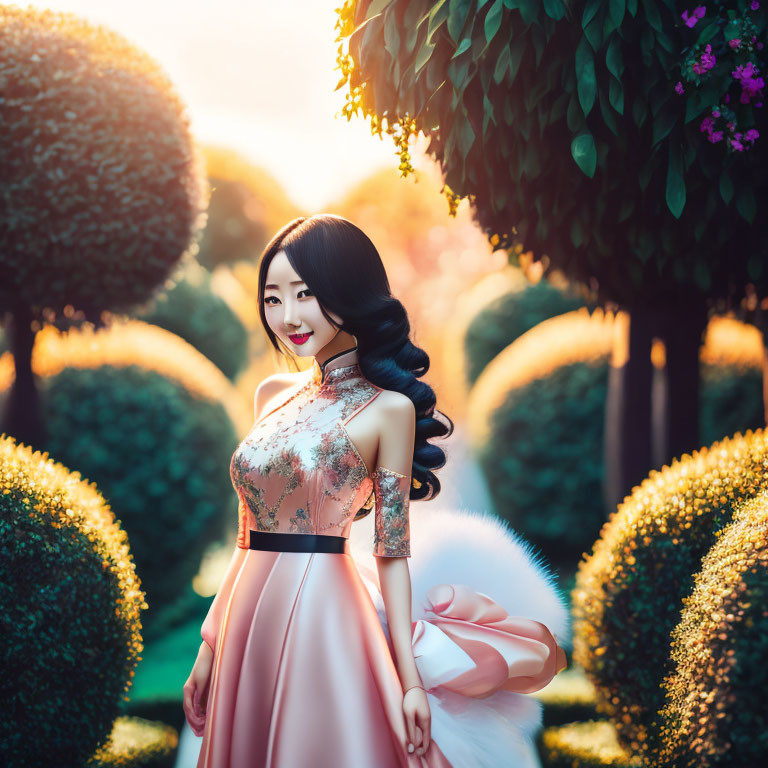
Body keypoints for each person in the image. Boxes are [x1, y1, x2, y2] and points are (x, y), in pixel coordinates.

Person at [182, 215, 567, 768]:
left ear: (348, 292)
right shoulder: (271, 394)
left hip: (324, 610)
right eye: (272, 298)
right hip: (246, 615)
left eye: (305, 294)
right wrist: (208, 649)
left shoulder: (389, 409)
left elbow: (392, 551)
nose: (287, 316)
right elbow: (246, 537)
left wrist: (408, 682)